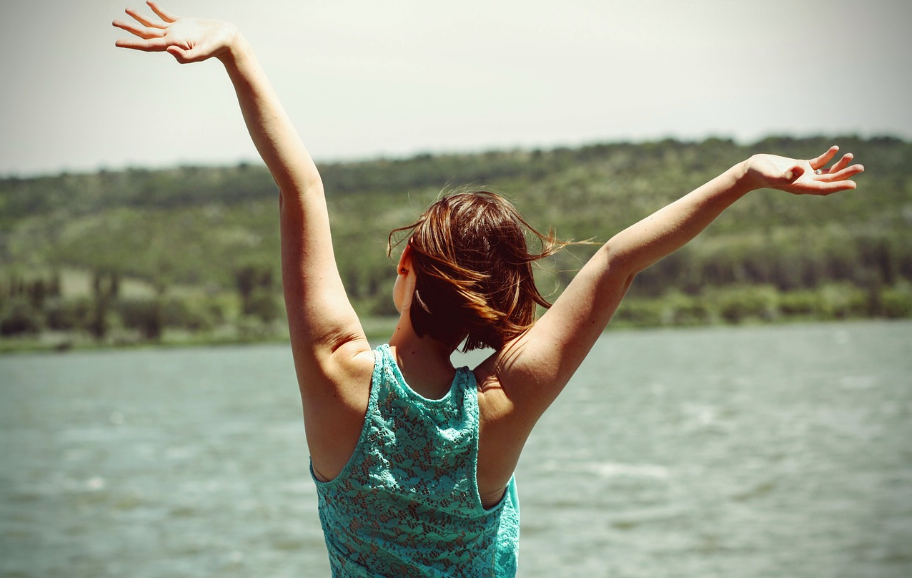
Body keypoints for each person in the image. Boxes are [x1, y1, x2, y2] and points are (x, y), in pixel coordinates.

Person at [113, 3, 864, 576]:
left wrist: (238, 56)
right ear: (502, 302)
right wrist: (744, 176)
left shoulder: (337, 375)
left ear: (406, 264)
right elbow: (616, 260)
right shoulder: (505, 403)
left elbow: (299, 186)